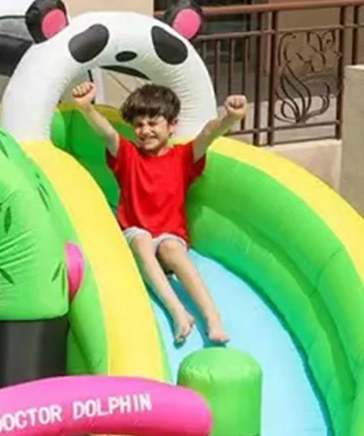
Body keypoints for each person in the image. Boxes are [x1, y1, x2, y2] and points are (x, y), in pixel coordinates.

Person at [70, 79, 247, 345]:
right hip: (136, 236)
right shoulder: (128, 155)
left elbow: (208, 134)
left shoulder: (183, 157)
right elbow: (107, 134)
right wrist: (86, 108)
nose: (145, 130)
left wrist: (230, 118)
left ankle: (213, 319)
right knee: (142, 239)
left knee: (171, 249)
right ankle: (178, 312)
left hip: (169, 237)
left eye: (153, 123)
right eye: (139, 125)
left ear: (172, 125)